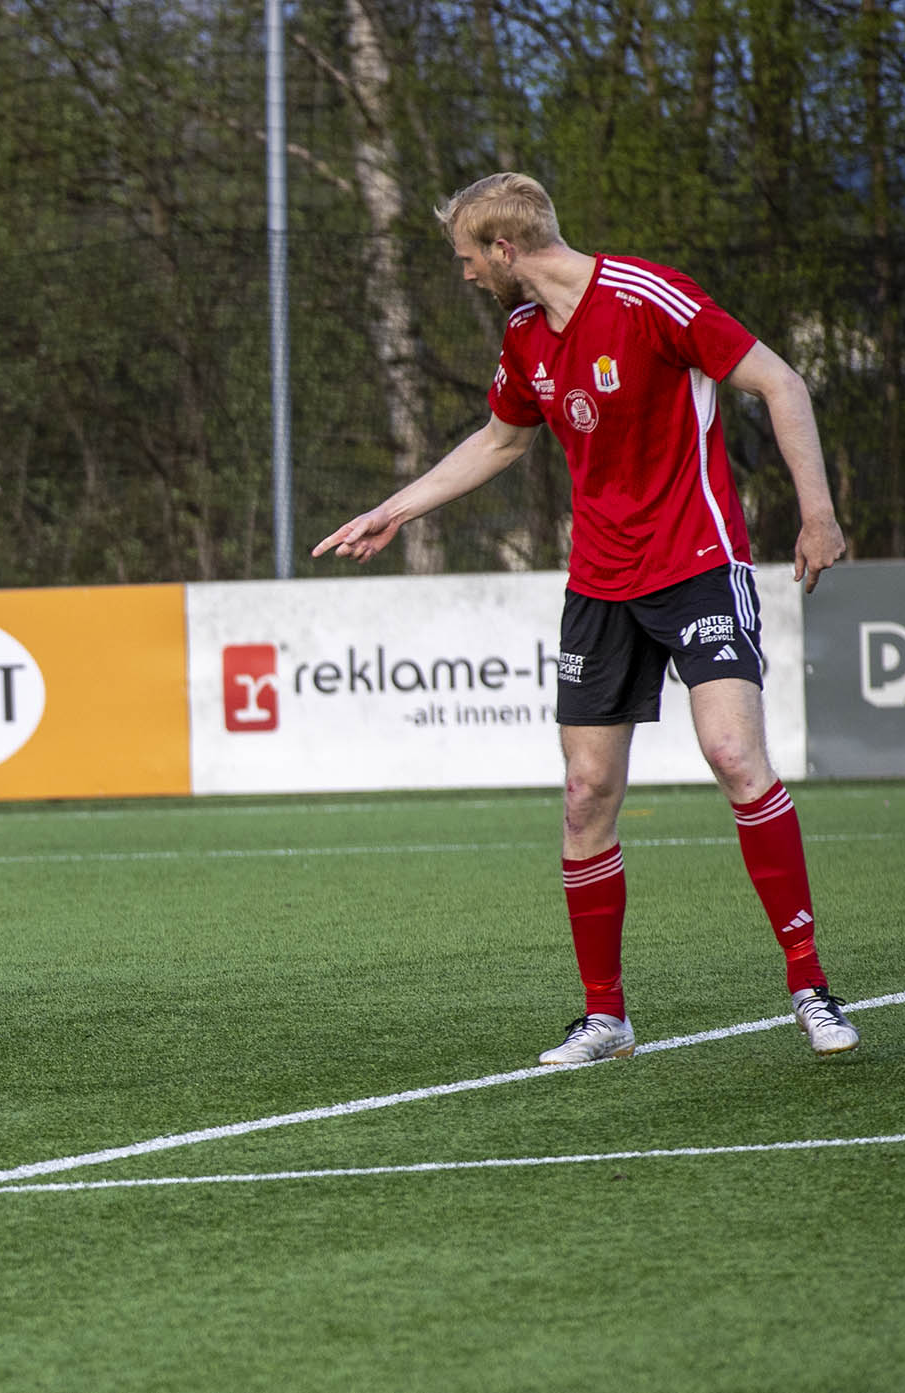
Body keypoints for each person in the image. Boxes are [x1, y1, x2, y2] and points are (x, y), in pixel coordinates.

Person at [312, 172, 858, 1062]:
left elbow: (781, 382)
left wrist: (819, 514)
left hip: (697, 563)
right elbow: (499, 440)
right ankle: (606, 1015)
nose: (463, 277)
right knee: (584, 795)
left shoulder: (650, 296)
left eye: (465, 259)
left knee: (733, 754)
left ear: (504, 249)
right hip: (600, 584)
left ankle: (811, 985)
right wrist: (397, 508)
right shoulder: (524, 334)